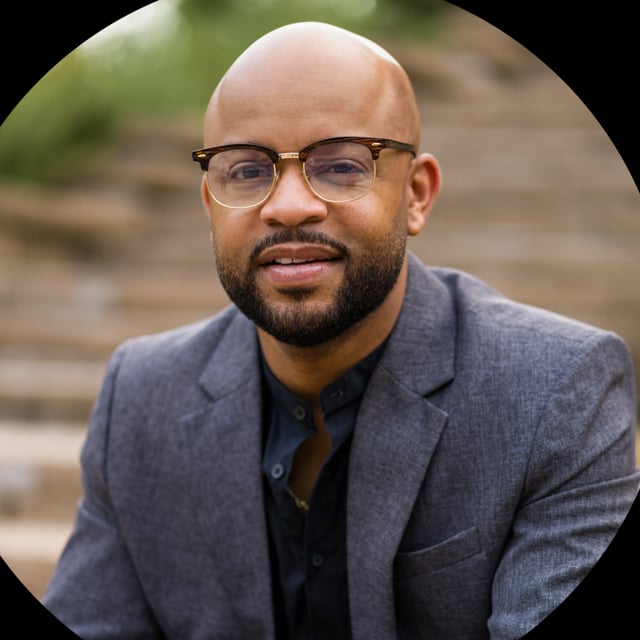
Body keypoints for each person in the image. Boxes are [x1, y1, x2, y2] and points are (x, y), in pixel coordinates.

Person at [42, 20, 639, 640]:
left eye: (341, 165)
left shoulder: (555, 390)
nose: (288, 206)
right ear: (209, 204)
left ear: (417, 195)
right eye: (246, 171)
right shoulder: (141, 397)